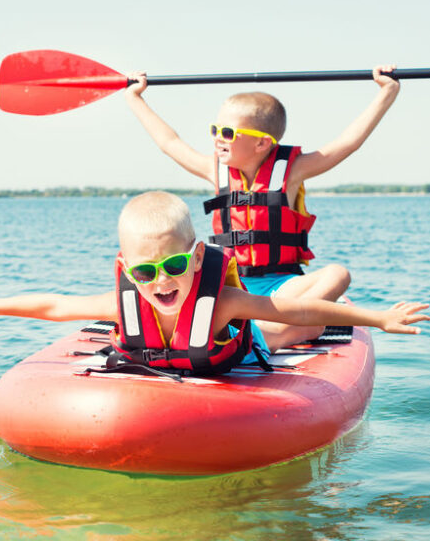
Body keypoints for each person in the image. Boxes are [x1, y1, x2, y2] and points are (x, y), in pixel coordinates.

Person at [0, 192, 429, 376]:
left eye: (173, 265)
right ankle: (319, 279)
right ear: (127, 269)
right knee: (301, 292)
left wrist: (378, 319)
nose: (162, 281)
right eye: (146, 272)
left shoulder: (225, 303)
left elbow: (297, 316)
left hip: (261, 333)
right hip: (213, 337)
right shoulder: (124, 304)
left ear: (197, 259)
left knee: (332, 282)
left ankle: (336, 276)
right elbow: (55, 305)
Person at [124, 66, 400, 349]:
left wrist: (387, 91)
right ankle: (288, 328)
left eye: (228, 132)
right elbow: (169, 143)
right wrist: (135, 98)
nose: (218, 138)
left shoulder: (292, 171)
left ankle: (285, 326)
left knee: (338, 274)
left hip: (282, 288)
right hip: (231, 287)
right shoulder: (215, 171)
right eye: (215, 129)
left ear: (261, 143)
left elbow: (348, 144)